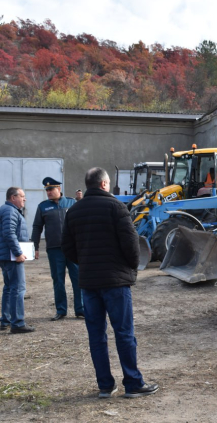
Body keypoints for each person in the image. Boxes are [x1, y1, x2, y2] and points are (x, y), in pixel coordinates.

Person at [62, 167, 158, 399]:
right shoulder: (117, 208)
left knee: (96, 336)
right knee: (124, 333)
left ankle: (105, 385)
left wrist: (87, 262)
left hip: (89, 283)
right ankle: (133, 383)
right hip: (115, 283)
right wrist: (130, 268)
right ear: (104, 184)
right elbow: (131, 244)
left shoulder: (73, 212)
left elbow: (68, 248)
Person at [31, 177, 83, 321]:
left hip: (72, 248)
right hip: (54, 249)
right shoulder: (43, 207)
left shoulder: (72, 203)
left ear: (59, 189)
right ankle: (61, 310)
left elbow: (82, 220)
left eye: (51, 189)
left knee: (78, 278)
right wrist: (34, 247)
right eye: (47, 190)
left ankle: (81, 309)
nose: (48, 192)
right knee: (58, 280)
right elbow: (37, 227)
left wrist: (81, 201)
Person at [0, 187, 35, 334]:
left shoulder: (8, 210)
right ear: (13, 197)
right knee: (17, 288)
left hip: (6, 256)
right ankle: (17, 323)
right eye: (22, 196)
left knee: (9, 288)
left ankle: (6, 320)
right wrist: (18, 253)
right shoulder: (10, 211)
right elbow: (9, 233)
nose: (24, 199)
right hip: (11, 257)